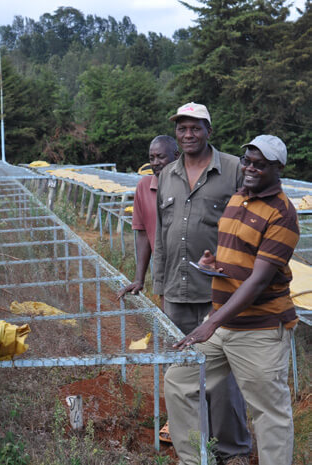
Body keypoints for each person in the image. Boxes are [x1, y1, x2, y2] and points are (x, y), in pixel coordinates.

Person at [165, 135, 299, 465]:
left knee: (269, 412)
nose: (250, 168)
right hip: (225, 322)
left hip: (260, 329)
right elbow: (242, 259)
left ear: (278, 168)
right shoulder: (239, 197)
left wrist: (210, 323)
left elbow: (257, 281)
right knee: (179, 381)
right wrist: (216, 264)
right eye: (247, 161)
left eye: (260, 164)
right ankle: (195, 459)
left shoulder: (282, 214)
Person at [152, 102, 251, 463]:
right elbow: (162, 236)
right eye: (182, 128)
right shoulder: (166, 174)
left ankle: (233, 449)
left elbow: (252, 224)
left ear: (209, 129)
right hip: (177, 292)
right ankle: (195, 452)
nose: (189, 135)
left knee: (223, 374)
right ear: (176, 133)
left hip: (220, 292)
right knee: (181, 374)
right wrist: (160, 284)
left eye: (196, 128)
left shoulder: (232, 169)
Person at [117, 135, 179, 299]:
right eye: (151, 158)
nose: (155, 162)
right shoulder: (144, 187)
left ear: (177, 156)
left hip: (190, 272)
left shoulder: (188, 187)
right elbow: (143, 233)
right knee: (170, 321)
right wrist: (139, 278)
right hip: (164, 274)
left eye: (161, 156)